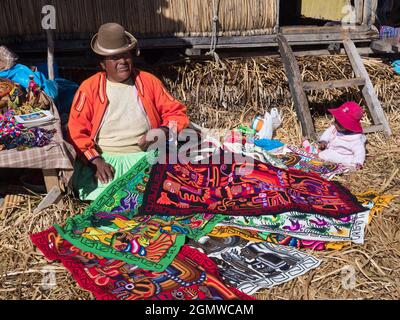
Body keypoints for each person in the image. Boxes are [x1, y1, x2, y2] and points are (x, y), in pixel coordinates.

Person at [68, 23, 189, 201]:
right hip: (107, 161)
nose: (123, 62)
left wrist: (162, 131)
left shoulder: (148, 82)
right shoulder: (89, 88)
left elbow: (176, 113)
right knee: (109, 200)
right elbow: (75, 131)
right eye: (115, 58)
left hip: (145, 157)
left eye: (125, 55)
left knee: (167, 191)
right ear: (102, 63)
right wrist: (96, 161)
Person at [317, 101, 366, 169]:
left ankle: (347, 165)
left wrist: (358, 162)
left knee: (350, 163)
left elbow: (360, 152)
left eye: (339, 123)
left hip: (346, 156)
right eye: (335, 120)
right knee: (321, 155)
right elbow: (327, 133)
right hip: (332, 152)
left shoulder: (355, 139)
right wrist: (324, 141)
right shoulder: (335, 128)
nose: (335, 124)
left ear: (350, 126)